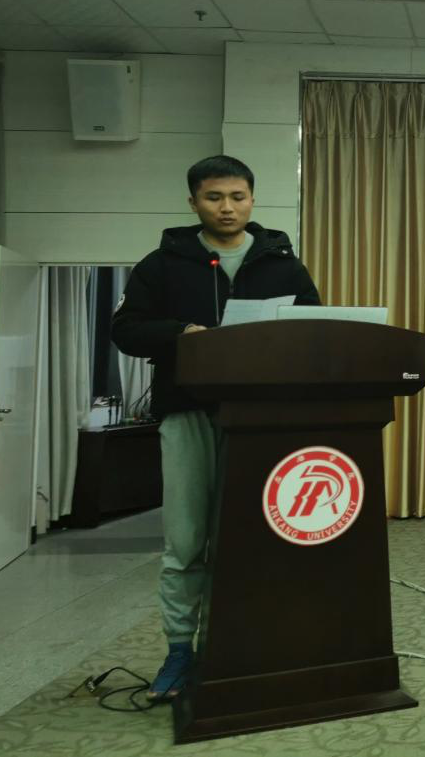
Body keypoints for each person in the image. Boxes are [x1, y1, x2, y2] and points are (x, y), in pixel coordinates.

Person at [111, 155, 321, 700]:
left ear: (252, 199)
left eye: (237, 197)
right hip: (188, 414)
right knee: (185, 541)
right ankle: (181, 650)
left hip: (263, 421)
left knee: (259, 535)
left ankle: (256, 642)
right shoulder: (163, 264)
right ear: (193, 202)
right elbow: (126, 329)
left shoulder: (283, 264)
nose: (227, 208)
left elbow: (315, 330)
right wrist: (182, 332)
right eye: (214, 197)